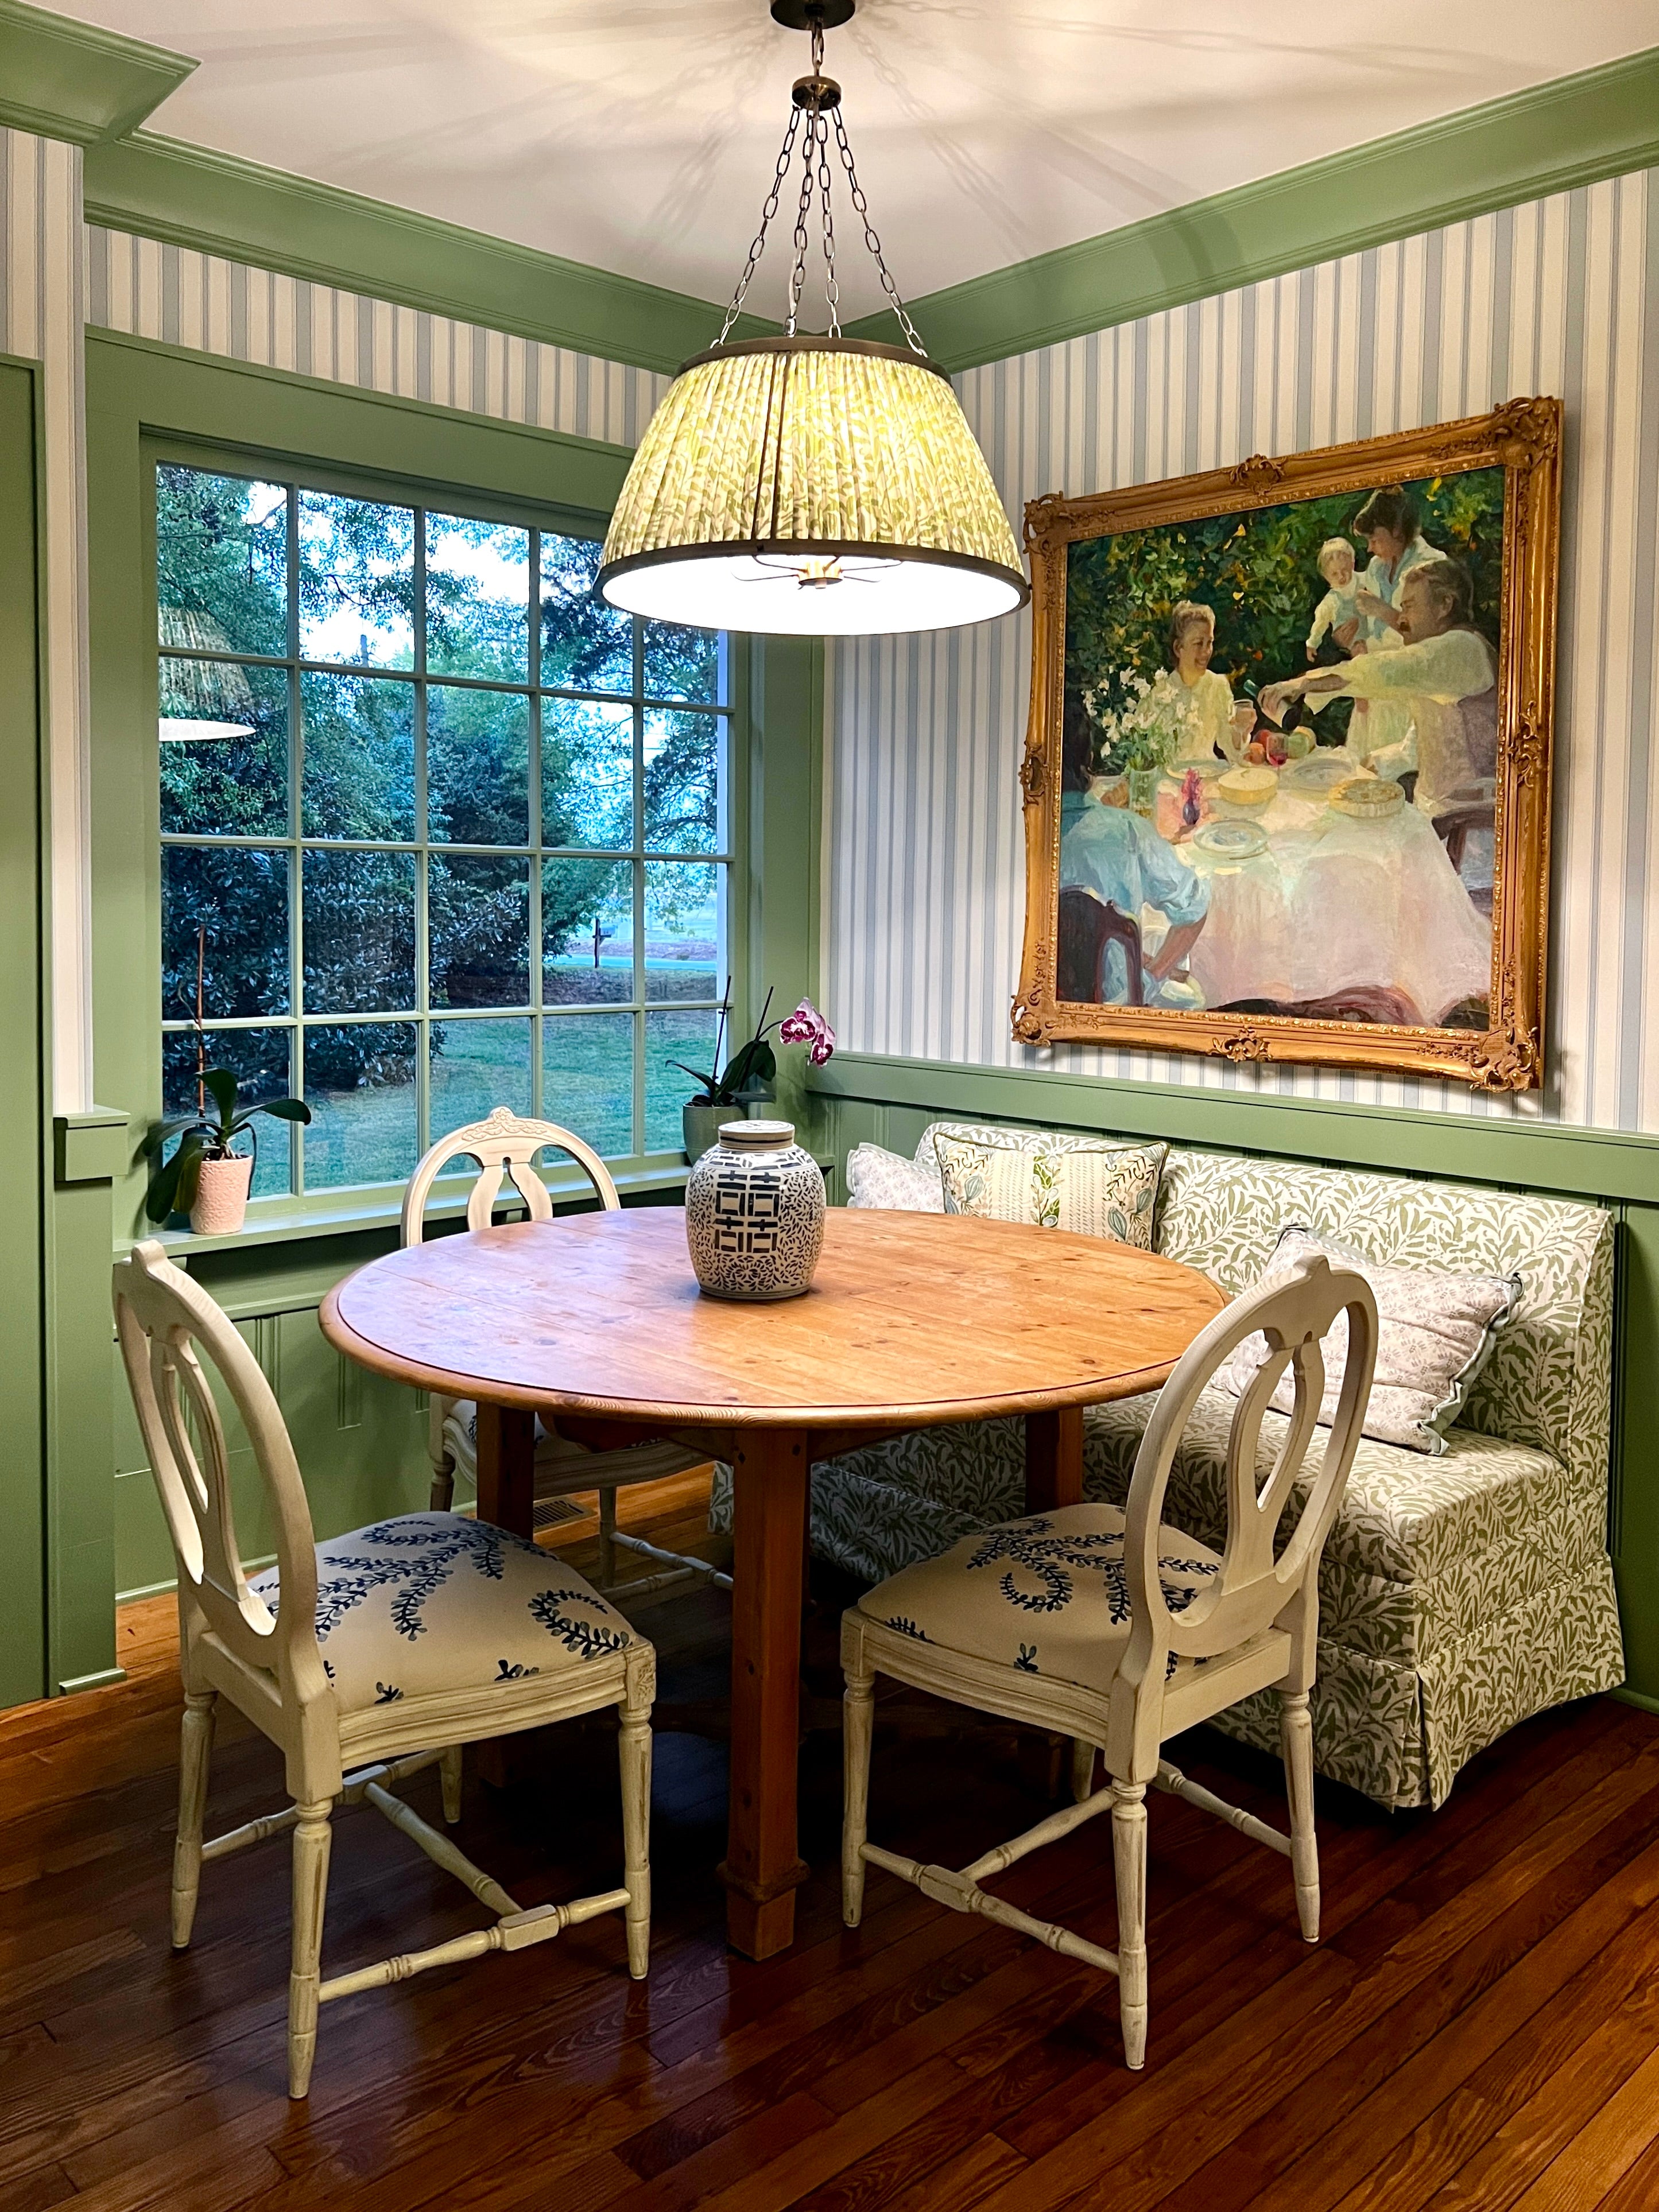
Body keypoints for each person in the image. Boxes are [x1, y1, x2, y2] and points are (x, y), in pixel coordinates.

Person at [1260, 559, 1497, 820]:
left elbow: (1384, 670)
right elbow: (1423, 742)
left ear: (1444, 606)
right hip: (1435, 816)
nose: (1402, 619)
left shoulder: (1463, 648)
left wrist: (1304, 683)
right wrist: (1377, 762)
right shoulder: (1439, 665)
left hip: (1470, 827)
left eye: (1409, 607)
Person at [1059, 701, 1210, 1003]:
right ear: (1090, 760)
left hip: (1046, 1005)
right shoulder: (1127, 831)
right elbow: (1194, 908)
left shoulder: (1015, 838)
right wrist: (1153, 975)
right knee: (1194, 994)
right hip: (1117, 1003)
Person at [1160, 601, 1250, 765]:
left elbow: (1232, 751)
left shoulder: (1218, 685)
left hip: (1208, 776)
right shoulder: (1161, 692)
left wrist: (1242, 729)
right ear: (1178, 648)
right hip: (1169, 783)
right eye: (1198, 643)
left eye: (1210, 643)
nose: (1206, 652)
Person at [1305, 537, 1365, 662]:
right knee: (1359, 652)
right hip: (1351, 642)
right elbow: (1320, 625)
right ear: (1326, 576)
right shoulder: (1330, 601)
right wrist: (1312, 644)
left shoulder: (1366, 580)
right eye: (1334, 574)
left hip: (1375, 632)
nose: (1341, 576)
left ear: (1352, 564)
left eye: (1344, 570)